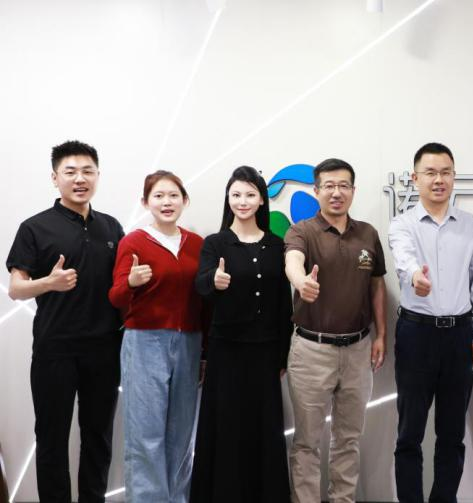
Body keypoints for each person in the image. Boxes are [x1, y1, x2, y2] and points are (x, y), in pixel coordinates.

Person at [6, 140, 124, 503]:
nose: (80, 179)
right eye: (70, 172)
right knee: (52, 439)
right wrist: (48, 283)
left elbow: (121, 286)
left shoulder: (112, 227)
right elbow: (16, 289)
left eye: (88, 171)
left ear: (98, 176)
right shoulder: (34, 227)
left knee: (98, 438)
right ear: (55, 178)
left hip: (104, 349)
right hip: (54, 350)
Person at [388, 142, 473, 503]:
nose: (438, 180)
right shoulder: (402, 224)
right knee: (409, 434)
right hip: (416, 333)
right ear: (415, 178)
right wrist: (415, 276)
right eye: (430, 172)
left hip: (458, 337)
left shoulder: (469, 225)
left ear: (454, 176)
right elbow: (404, 258)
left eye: (445, 172)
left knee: (452, 435)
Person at [284, 158, 387, 503]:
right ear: (316, 191)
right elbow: (292, 261)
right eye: (328, 186)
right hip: (311, 351)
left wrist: (382, 335)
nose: (336, 192)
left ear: (353, 191)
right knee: (307, 442)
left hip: (358, 349)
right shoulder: (302, 231)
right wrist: (301, 282)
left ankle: (343, 499)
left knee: (348, 439)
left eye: (343, 185)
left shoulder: (368, 234)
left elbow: (377, 285)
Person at [190, 166, 293, 503]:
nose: (243, 201)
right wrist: (214, 281)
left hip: (265, 352)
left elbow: (283, 305)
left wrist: (282, 354)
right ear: (228, 199)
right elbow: (201, 284)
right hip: (226, 352)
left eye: (250, 194)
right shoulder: (216, 243)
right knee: (227, 427)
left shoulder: (277, 245)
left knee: (264, 427)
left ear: (262, 199)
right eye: (236, 194)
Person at [108, 170, 204, 503]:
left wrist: (204, 351)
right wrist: (131, 282)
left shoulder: (197, 244)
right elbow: (115, 297)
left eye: (173, 195)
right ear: (145, 202)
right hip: (145, 342)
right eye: (158, 196)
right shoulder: (133, 242)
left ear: (185, 200)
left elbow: (204, 301)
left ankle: (177, 498)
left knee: (181, 433)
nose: (166, 202)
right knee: (145, 433)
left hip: (189, 342)